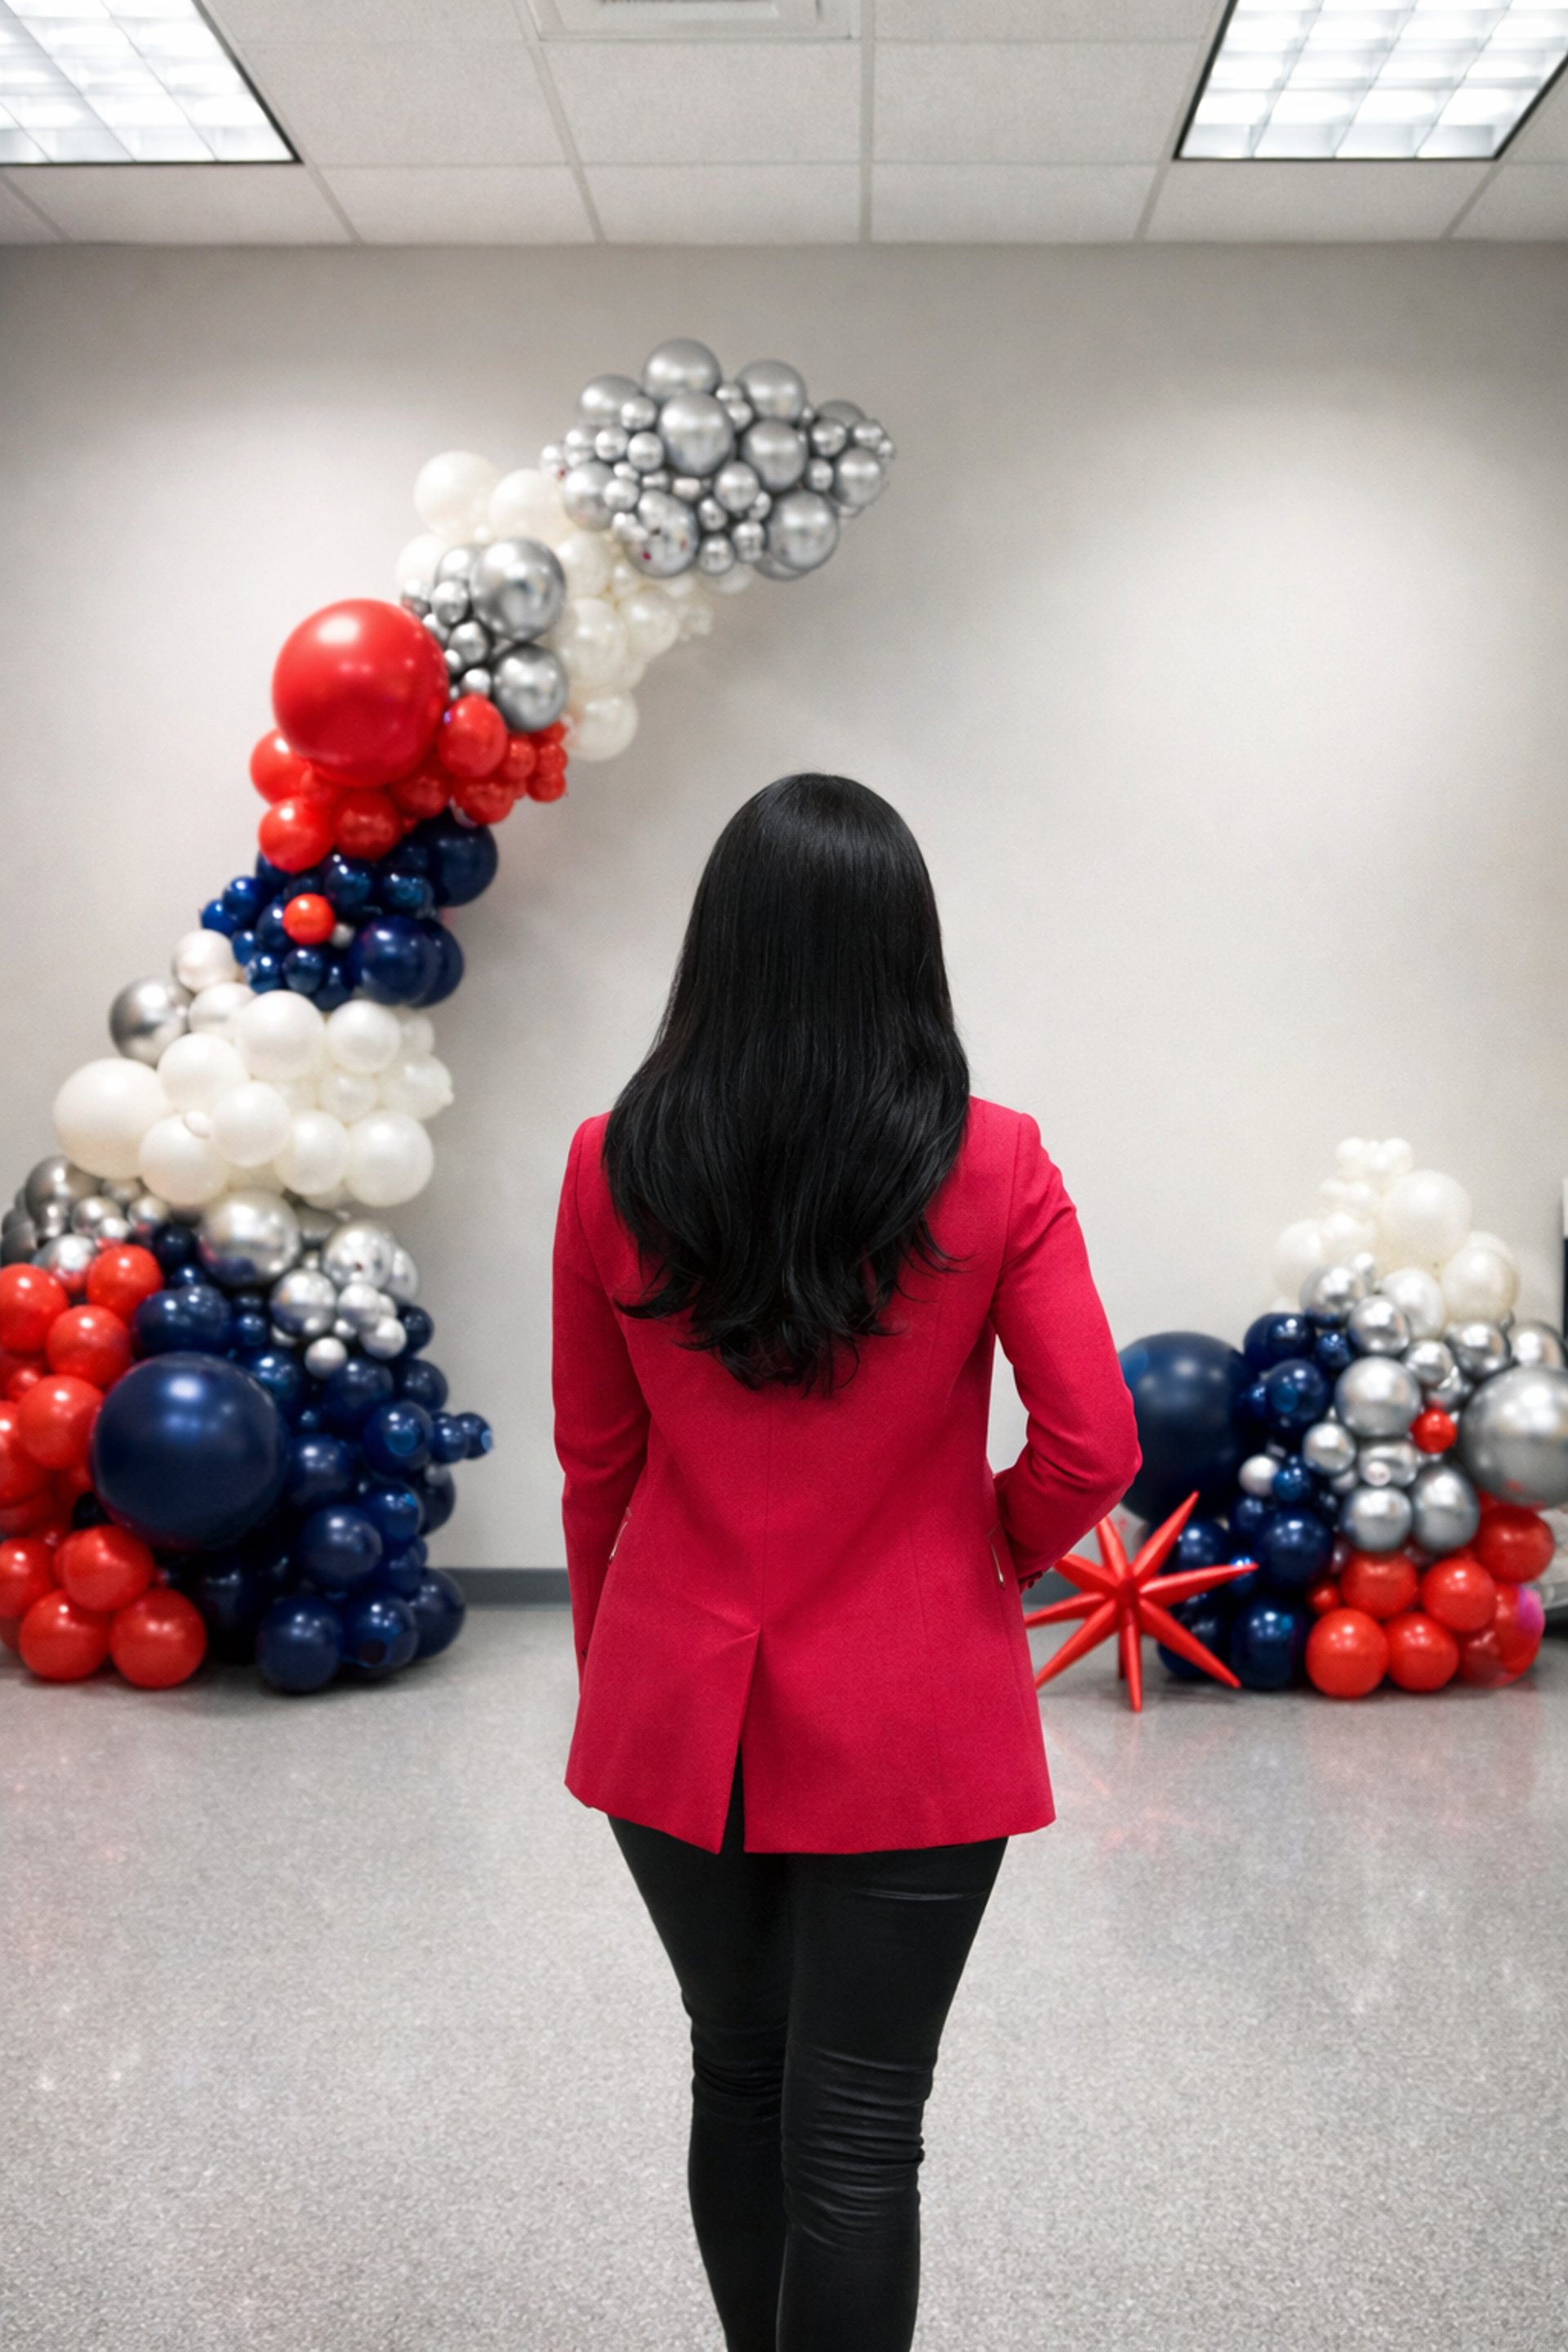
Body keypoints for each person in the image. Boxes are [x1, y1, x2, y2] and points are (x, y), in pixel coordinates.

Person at [551, 773, 1139, 2352]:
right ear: (908, 952)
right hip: (915, 1704)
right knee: (863, 2132)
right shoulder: (997, 1161)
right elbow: (1094, 1448)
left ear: (718, 947)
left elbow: (597, 1466)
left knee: (736, 2073)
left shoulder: (612, 1162)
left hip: (677, 1699)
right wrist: (975, 1558)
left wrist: (620, 1677)